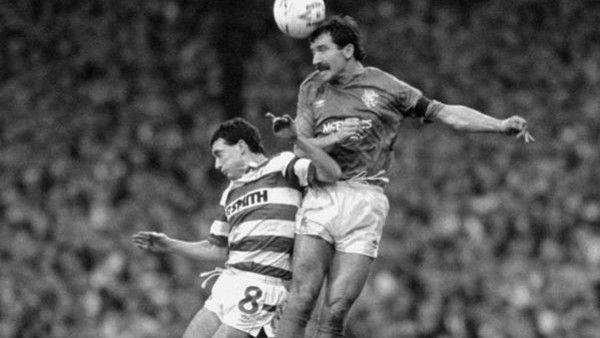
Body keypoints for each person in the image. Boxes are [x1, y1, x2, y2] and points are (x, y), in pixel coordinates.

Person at [276, 15, 535, 338]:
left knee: (336, 309)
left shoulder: (387, 87)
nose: (315, 59)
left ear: (347, 50)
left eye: (322, 49)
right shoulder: (311, 87)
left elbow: (445, 113)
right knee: (301, 298)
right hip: (323, 191)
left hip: (366, 201)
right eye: (312, 51)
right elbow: (300, 147)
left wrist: (497, 124)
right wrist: (335, 138)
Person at [132, 116, 341, 338]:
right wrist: (170, 244)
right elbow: (216, 248)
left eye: (219, 154)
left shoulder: (281, 165)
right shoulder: (231, 191)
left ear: (241, 147)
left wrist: (298, 139)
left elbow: (332, 173)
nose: (216, 165)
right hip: (228, 282)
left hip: (260, 283)